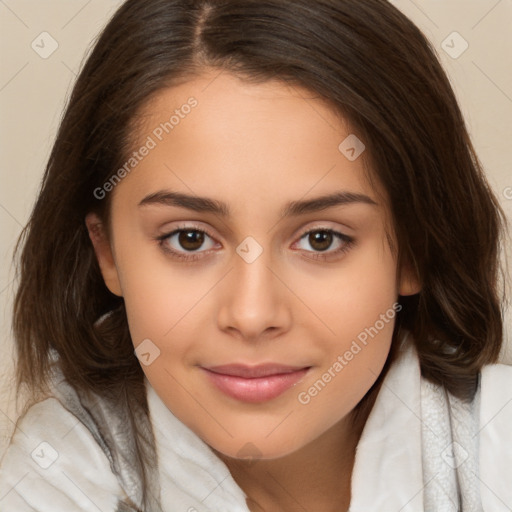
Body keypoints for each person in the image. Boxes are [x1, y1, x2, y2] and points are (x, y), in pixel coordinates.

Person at [0, 0, 511, 510]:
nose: (252, 314)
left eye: (320, 239)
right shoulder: (52, 480)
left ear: (415, 251)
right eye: (190, 239)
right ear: (107, 252)